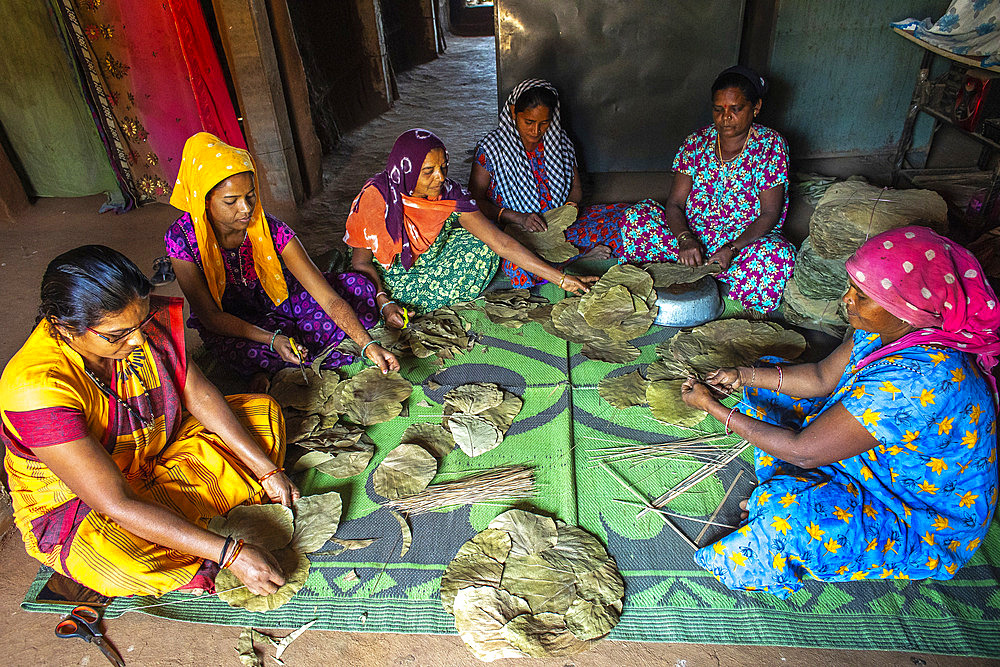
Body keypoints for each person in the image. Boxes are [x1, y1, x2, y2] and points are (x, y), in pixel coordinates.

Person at [680, 227, 999, 598]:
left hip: (917, 515)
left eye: (862, 296)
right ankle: (801, 486)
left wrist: (714, 408)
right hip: (881, 461)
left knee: (785, 521)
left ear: (908, 311)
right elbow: (820, 377)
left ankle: (793, 507)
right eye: (851, 287)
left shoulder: (919, 382)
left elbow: (804, 449)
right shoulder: (890, 330)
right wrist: (742, 375)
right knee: (765, 380)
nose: (846, 300)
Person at [1, 246, 299, 597]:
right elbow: (116, 504)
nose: (139, 339)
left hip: (157, 455)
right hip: (88, 504)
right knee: (117, 559)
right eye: (118, 335)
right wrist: (230, 553)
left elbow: (199, 395)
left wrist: (267, 470)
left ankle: (185, 527)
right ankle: (195, 550)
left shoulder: (134, 321)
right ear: (66, 327)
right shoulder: (35, 388)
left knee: (260, 414)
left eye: (140, 323)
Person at [166, 133, 398, 387]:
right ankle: (278, 353)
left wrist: (368, 345)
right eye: (231, 201)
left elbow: (327, 297)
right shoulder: (182, 241)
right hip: (232, 320)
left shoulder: (272, 230)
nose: (246, 208)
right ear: (205, 202)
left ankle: (273, 363)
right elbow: (210, 316)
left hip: (278, 299)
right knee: (243, 350)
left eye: (251, 195)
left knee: (358, 289)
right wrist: (272, 338)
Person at [345, 128, 595, 324]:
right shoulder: (376, 200)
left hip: (431, 259)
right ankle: (400, 302)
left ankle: (420, 298)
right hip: (390, 273)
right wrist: (383, 301)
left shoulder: (450, 194)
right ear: (405, 171)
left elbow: (501, 244)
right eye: (428, 171)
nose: (440, 178)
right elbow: (361, 263)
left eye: (443, 167)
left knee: (483, 245)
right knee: (374, 293)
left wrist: (563, 280)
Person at [619, 66, 794, 313]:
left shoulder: (770, 145)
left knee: (777, 256)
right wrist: (685, 239)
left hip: (742, 246)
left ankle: (723, 283)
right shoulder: (696, 142)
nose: (725, 117)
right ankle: (697, 270)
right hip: (693, 242)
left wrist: (731, 249)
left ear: (756, 108)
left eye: (736, 109)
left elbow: (770, 213)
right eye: (718, 109)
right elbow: (675, 204)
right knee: (638, 216)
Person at [469, 78, 629, 288]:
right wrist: (518, 218)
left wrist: (568, 210)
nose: (536, 131)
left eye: (544, 123)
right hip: (513, 230)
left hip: (559, 226)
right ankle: (576, 261)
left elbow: (576, 188)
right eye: (529, 122)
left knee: (625, 218)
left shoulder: (560, 143)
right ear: (513, 112)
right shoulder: (491, 149)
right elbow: (473, 202)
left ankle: (567, 260)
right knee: (516, 261)